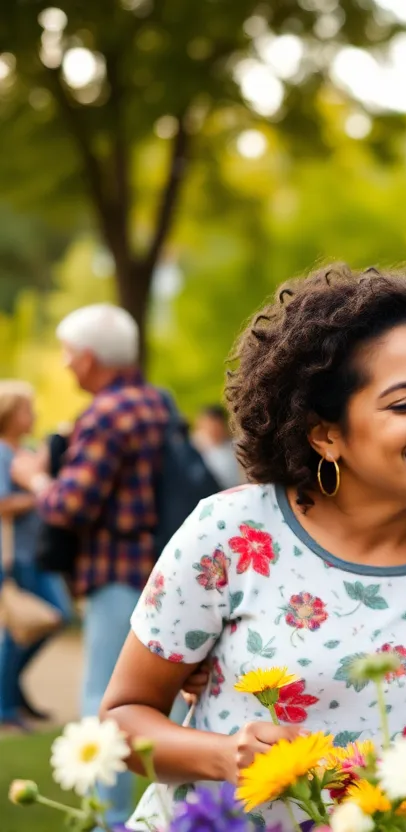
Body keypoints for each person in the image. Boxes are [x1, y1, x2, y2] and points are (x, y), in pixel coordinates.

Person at [100, 265, 406, 830]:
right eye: (405, 403)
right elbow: (120, 721)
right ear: (325, 433)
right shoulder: (231, 532)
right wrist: (226, 756)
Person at [10, 304, 171, 826]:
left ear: (89, 357)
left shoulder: (106, 413)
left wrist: (36, 477)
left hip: (115, 571)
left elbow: (69, 504)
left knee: (105, 706)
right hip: (155, 567)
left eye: (68, 353)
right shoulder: (153, 402)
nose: (64, 364)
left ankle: (109, 820)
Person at [0, 380, 72, 731]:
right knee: (24, 627)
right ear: (10, 414)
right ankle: (5, 702)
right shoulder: (2, 453)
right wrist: (40, 495)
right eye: (27, 409)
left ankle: (11, 690)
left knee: (51, 618)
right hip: (15, 556)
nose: (33, 415)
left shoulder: (24, 450)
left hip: (35, 553)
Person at [191, 404, 244, 489]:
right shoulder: (195, 447)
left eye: (216, 426)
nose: (212, 430)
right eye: (208, 425)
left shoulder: (237, 446)